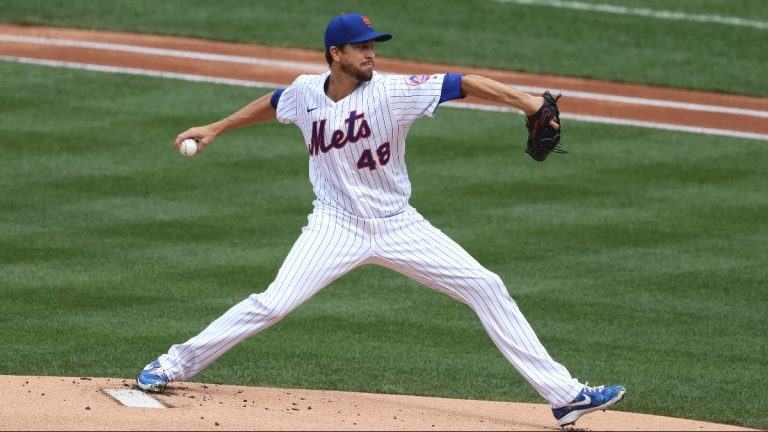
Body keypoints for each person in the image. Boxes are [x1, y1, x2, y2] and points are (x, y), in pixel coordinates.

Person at [137, 13, 625, 427]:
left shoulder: (393, 92)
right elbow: (274, 102)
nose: (371, 54)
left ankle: (564, 396)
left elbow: (463, 83)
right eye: (361, 47)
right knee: (272, 304)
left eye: (373, 46)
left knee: (487, 286)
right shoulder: (306, 92)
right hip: (334, 226)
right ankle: (172, 363)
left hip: (399, 225)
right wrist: (217, 127)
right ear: (335, 54)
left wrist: (529, 101)